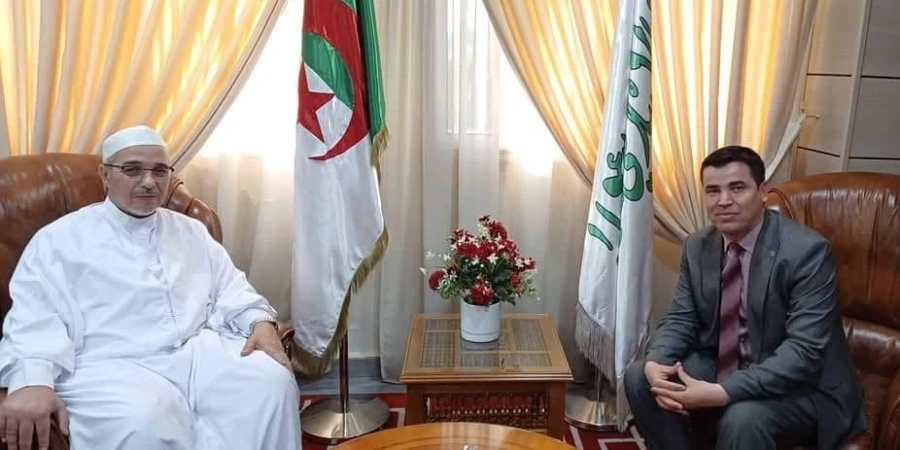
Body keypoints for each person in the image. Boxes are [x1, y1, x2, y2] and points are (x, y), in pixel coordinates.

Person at [0, 125, 301, 450]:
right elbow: (34, 315)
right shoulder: (59, 240)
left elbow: (229, 286)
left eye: (159, 171)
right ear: (105, 175)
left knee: (270, 384)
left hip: (197, 352)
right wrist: (32, 379)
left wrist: (259, 321)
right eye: (132, 170)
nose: (148, 182)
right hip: (111, 364)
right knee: (145, 422)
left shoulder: (191, 230)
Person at [623, 146, 866, 450]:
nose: (724, 201)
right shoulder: (698, 245)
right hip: (725, 364)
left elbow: (803, 353)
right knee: (640, 377)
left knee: (743, 419)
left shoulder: (807, 252)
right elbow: (681, 318)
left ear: (763, 192)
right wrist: (656, 361)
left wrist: (722, 392)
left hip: (800, 385)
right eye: (713, 191)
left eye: (737, 188)